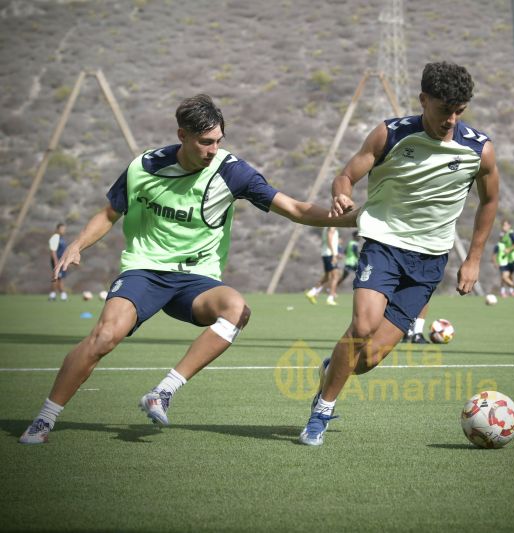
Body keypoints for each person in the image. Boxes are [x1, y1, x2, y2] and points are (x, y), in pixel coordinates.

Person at [19, 94, 356, 444]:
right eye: (205, 142)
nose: (213, 150)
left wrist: (358, 219)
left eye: (218, 141)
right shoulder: (144, 167)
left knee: (236, 309)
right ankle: (44, 420)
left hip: (197, 280)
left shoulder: (231, 171)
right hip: (144, 271)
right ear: (182, 136)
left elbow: (296, 209)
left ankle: (162, 392)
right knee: (104, 337)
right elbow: (108, 214)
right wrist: (76, 245)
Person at [299, 61, 500, 446]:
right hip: (384, 244)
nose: (451, 120)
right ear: (424, 100)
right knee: (361, 327)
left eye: (459, 111)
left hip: (430, 261)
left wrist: (472, 259)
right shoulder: (390, 134)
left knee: (368, 359)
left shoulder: (479, 149)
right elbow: (346, 174)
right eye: (444, 110)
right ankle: (320, 412)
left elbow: (490, 201)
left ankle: (333, 368)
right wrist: (341, 192)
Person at [304, 226, 341, 306]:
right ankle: (330, 298)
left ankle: (311, 292)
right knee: (335, 276)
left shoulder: (326, 226)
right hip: (330, 254)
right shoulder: (332, 226)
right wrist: (334, 254)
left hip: (326, 254)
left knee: (327, 277)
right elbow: (329, 239)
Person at [48, 222, 68, 301]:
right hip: (57, 261)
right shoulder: (55, 237)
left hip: (61, 262)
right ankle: (54, 294)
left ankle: (59, 294)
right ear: (57, 229)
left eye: (64, 229)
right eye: (62, 229)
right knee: (56, 277)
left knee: (60, 278)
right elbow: (53, 250)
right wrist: (56, 261)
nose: (63, 231)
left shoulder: (61, 238)